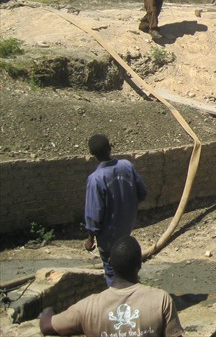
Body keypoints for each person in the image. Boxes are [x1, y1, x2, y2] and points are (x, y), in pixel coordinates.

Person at [39, 235, 183, 337]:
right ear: (139, 265)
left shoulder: (88, 307)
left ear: (110, 263)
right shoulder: (160, 300)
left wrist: (48, 310)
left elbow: (47, 326)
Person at [84, 133, 147, 286]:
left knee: (112, 270)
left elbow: (93, 214)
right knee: (126, 266)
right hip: (126, 228)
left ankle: (119, 301)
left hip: (108, 236)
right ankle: (131, 294)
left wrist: (91, 238)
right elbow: (142, 193)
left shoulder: (96, 179)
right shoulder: (127, 166)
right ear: (110, 148)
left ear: (92, 155)